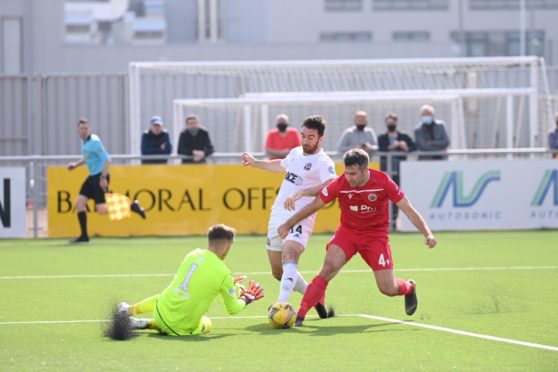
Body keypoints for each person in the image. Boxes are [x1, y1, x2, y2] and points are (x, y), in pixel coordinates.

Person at [277, 148, 437, 326]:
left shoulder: (383, 182)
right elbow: (316, 205)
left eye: (353, 174)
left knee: (387, 288)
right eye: (346, 172)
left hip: (375, 236)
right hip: (348, 233)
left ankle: (409, 288)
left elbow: (408, 209)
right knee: (328, 268)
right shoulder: (341, 183)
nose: (348, 177)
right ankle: (300, 316)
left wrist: (427, 233)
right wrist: (288, 224)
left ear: (365, 170)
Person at [241, 114, 336, 319]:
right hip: (278, 213)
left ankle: (281, 304)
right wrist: (256, 163)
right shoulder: (295, 152)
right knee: (278, 271)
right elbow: (281, 165)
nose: (305, 141)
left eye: (311, 137)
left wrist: (304, 192)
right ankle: (315, 296)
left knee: (290, 256)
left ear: (321, 139)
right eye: (303, 136)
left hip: (301, 215)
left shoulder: (323, 161)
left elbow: (331, 184)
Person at [107, 224, 264, 339]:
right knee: (206, 323)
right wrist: (246, 298)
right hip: (179, 329)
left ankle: (130, 311)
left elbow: (199, 280)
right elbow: (233, 309)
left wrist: (228, 282)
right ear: (226, 246)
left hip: (160, 310)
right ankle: (148, 323)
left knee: (167, 296)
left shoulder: (193, 254)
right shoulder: (223, 273)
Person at [67, 118, 146, 243]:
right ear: (78, 130)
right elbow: (87, 158)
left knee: (102, 210)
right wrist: (76, 165)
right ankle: (84, 236)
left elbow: (108, 160)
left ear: (90, 129)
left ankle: (132, 206)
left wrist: (103, 178)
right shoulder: (85, 142)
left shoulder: (94, 141)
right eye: (81, 128)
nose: (83, 131)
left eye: (85, 128)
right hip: (92, 176)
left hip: (99, 176)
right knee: (79, 204)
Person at [378, 113, 416, 228]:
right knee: (384, 196)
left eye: (393, 122)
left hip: (400, 171)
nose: (391, 124)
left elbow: (414, 147)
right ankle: (385, 220)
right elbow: (381, 149)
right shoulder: (382, 137)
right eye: (389, 122)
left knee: (397, 196)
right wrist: (392, 146)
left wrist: (406, 147)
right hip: (386, 171)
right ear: (386, 123)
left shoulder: (403, 136)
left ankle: (394, 220)